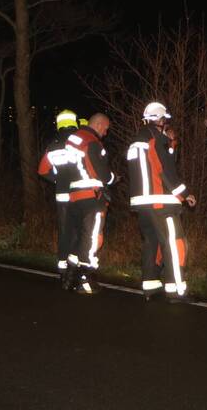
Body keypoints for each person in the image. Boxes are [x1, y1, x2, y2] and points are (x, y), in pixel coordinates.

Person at [127, 102, 196, 302]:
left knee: (152, 243)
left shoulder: (137, 140)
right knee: (176, 243)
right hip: (160, 202)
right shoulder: (154, 139)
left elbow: (150, 168)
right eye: (164, 119)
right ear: (160, 119)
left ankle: (151, 286)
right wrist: (185, 194)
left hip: (142, 203)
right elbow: (165, 170)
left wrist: (170, 147)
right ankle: (176, 289)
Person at [62, 113, 115, 294]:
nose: (106, 133)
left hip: (74, 196)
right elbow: (101, 172)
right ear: (98, 124)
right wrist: (112, 178)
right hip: (92, 197)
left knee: (79, 238)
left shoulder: (72, 140)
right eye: (105, 128)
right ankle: (86, 280)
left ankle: (69, 277)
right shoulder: (91, 141)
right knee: (92, 238)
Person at [37, 109, 79, 288]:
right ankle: (74, 267)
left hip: (61, 195)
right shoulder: (79, 143)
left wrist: (57, 180)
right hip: (79, 194)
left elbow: (42, 170)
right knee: (79, 231)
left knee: (64, 231)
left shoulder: (53, 145)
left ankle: (62, 268)